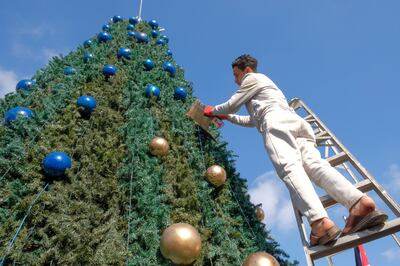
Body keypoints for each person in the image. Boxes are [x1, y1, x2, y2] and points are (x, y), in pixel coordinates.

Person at [203, 54, 388, 246]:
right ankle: (358, 203)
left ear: (246, 70)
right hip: (296, 124)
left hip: (276, 123)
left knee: (289, 167)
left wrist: (213, 110)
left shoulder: (251, 79)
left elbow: (233, 103)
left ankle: (319, 223)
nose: (235, 80)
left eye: (236, 74)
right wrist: (229, 117)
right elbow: (252, 120)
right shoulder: (266, 87)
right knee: (315, 166)